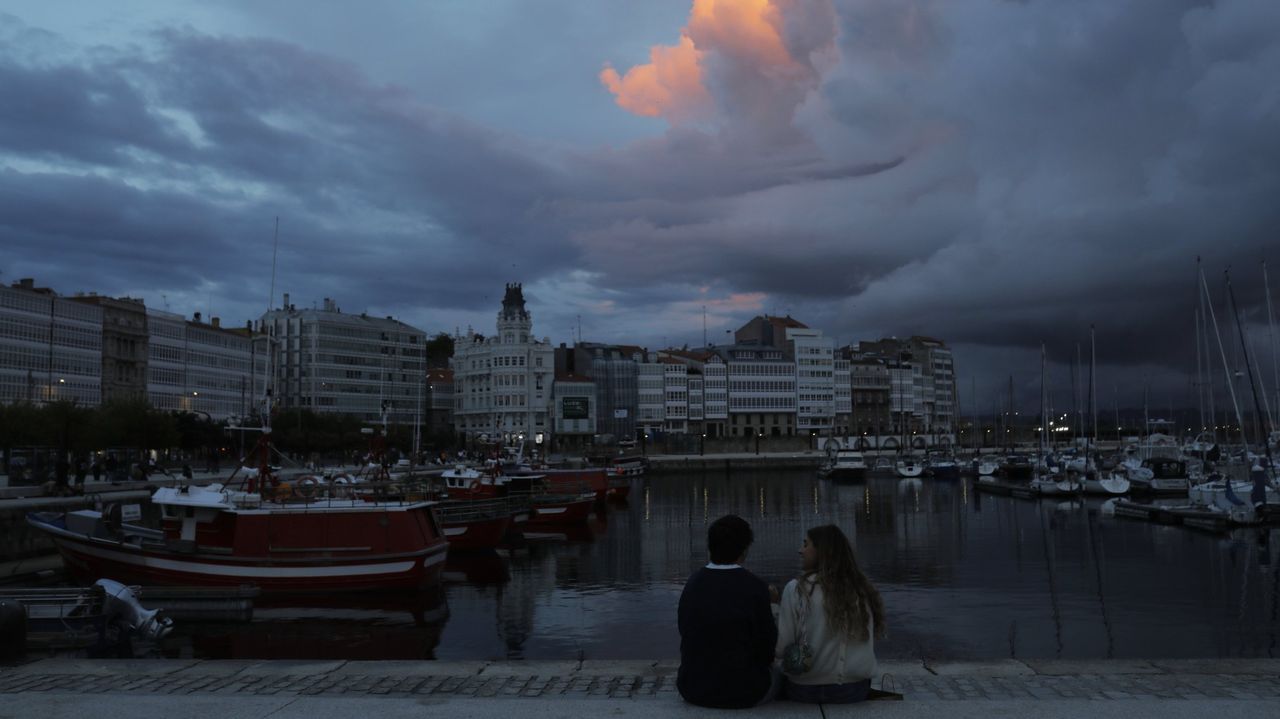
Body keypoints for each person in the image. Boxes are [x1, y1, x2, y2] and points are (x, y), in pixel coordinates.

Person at [677, 514, 779, 708]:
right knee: (781, 675)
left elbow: (685, 630)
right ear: (744, 551)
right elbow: (767, 648)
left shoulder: (692, 584)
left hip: (692, 687)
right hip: (745, 691)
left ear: (710, 547)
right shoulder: (756, 587)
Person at [776, 524, 885, 704]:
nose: (800, 550)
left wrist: (773, 608)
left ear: (821, 551)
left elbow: (781, 649)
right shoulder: (861, 588)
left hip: (803, 690)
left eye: (805, 544)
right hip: (852, 690)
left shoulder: (796, 589)